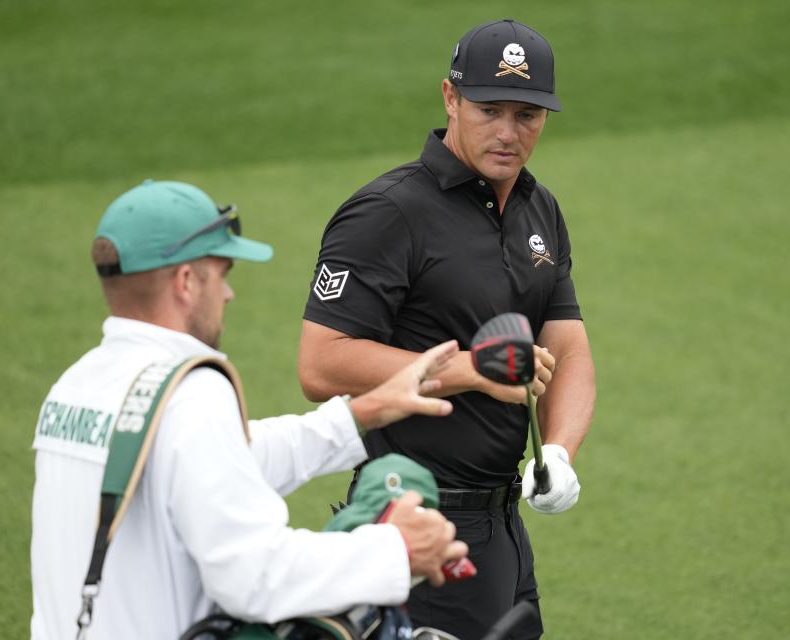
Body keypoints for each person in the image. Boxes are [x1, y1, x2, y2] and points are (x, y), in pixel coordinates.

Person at [29, 179, 471, 640]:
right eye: (221, 274)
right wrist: (394, 550)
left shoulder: (78, 384)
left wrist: (359, 415)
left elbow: (214, 467)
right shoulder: (189, 393)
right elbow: (254, 577)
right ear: (185, 282)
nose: (228, 295)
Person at [297, 19, 596, 639]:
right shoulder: (388, 213)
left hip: (503, 531)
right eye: (489, 109)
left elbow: (565, 343)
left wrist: (560, 449)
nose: (509, 133)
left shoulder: (540, 208)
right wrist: (468, 370)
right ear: (450, 99)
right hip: (415, 528)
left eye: (528, 115)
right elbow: (321, 364)